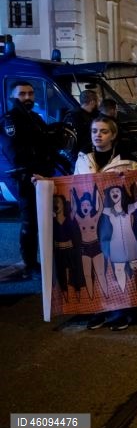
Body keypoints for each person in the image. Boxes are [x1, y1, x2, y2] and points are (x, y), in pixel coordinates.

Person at [74, 116, 137, 330]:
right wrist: (44, 183)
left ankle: (121, 311)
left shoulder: (127, 161)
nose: (98, 135)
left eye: (103, 131)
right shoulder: (83, 160)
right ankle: (98, 310)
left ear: (113, 135)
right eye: (94, 131)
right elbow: (71, 186)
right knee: (96, 269)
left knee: (117, 265)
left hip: (117, 225)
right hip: (91, 224)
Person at [0, 81, 57, 280]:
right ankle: (30, 263)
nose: (27, 97)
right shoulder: (10, 120)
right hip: (25, 178)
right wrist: (33, 171)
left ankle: (46, 260)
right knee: (30, 220)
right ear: (13, 96)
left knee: (45, 218)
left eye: (31, 93)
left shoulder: (34, 118)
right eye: (22, 94)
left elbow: (46, 145)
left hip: (42, 177)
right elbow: (15, 153)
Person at [63, 87, 100, 163]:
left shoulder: (90, 115)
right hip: (79, 159)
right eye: (98, 101)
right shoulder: (74, 117)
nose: (99, 104)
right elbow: (71, 144)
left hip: (87, 157)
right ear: (92, 102)